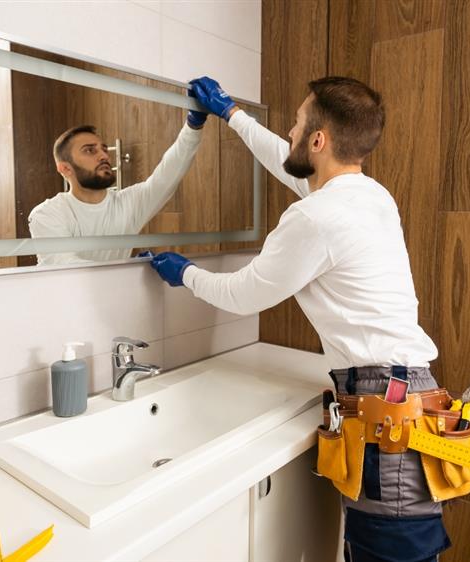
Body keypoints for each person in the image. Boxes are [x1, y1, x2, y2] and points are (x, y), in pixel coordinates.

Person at [150, 76, 448, 562]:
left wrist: (186, 274)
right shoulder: (371, 196)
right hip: (406, 397)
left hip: (384, 414)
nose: (288, 132)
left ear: (318, 140)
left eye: (295, 124)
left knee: (387, 553)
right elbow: (291, 167)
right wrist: (231, 114)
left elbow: (242, 295)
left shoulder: (315, 219)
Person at [27, 104, 208, 265]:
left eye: (104, 149)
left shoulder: (127, 203)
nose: (104, 156)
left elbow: (168, 174)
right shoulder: (46, 214)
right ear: (65, 169)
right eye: (90, 150)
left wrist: (193, 124)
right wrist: (127, 269)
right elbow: (68, 268)